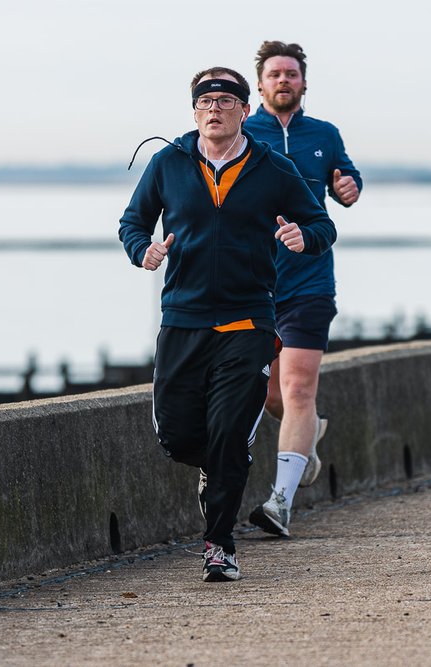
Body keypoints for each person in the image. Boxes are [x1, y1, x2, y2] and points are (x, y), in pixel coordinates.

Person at [119, 67, 337, 582]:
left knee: (228, 431)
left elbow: (321, 222)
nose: (214, 109)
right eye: (204, 102)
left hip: (248, 320)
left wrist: (306, 239)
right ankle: (219, 463)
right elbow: (132, 222)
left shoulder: (272, 167)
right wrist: (142, 250)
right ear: (195, 112)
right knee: (175, 436)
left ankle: (220, 544)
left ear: (244, 110)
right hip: (184, 319)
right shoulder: (168, 164)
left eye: (225, 101)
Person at [243, 41, 363, 537]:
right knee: (270, 394)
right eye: (275, 74)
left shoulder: (323, 134)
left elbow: (347, 179)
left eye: (291, 74)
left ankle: (280, 503)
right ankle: (309, 435)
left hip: (310, 280)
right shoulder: (244, 134)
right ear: (261, 84)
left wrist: (349, 187)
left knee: (297, 387)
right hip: (253, 284)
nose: (284, 81)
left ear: (304, 83)